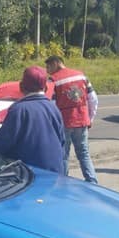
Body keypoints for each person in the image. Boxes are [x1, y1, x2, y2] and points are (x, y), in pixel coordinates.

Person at [0, 66, 66, 173]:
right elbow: (61, 141)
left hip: (31, 176)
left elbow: (2, 142)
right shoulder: (54, 108)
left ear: (21, 86)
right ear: (46, 88)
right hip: (56, 173)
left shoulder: (19, 110)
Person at [45, 55, 98, 183]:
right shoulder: (81, 76)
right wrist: (90, 118)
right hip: (82, 121)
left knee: (64, 156)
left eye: (48, 66)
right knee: (84, 154)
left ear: (56, 63)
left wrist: (52, 125)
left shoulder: (53, 80)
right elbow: (93, 99)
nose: (47, 70)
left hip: (65, 123)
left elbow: (51, 105)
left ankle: (63, 182)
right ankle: (92, 181)